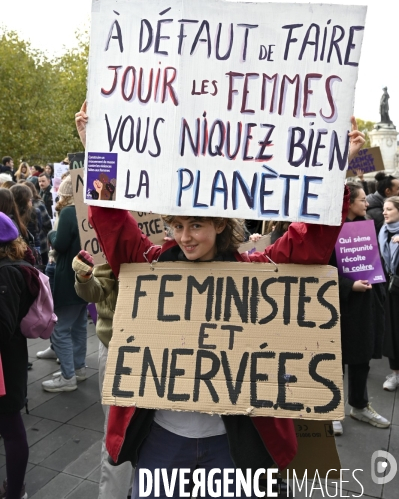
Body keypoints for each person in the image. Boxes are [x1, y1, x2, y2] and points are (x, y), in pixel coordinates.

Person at [75, 103, 365, 497]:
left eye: (196, 225)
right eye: (176, 226)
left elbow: (308, 241)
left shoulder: (255, 268)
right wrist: (98, 151)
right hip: (163, 438)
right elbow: (112, 223)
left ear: (221, 223)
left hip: (235, 443)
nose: (185, 237)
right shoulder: (151, 264)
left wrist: (334, 167)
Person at [73, 253, 134, 499]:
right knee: (117, 430)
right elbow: (94, 292)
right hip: (118, 345)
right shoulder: (109, 235)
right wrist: (84, 275)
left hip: (163, 347)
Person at [330, 183, 388, 435]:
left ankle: (359, 404)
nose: (367, 204)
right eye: (362, 200)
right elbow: (321, 270)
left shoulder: (366, 227)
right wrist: (349, 285)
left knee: (361, 358)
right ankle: (332, 411)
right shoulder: (329, 232)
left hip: (366, 305)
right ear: (348, 202)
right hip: (339, 306)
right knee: (335, 360)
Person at [0, 213, 40, 499]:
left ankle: (14, 491)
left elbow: (3, 327)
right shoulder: (13, 268)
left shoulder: (6, 273)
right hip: (9, 361)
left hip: (5, 364)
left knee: (11, 428)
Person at [41, 176, 87, 392]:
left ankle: (68, 377)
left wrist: (51, 233)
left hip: (68, 276)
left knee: (59, 329)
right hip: (85, 277)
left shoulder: (69, 212)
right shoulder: (88, 210)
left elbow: (59, 244)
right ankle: (77, 368)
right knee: (78, 326)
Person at [378, 196, 399, 391]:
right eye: (384, 209)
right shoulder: (383, 231)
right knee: (392, 331)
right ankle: (395, 374)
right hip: (391, 290)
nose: (385, 212)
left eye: (389, 209)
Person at [22, 181, 52, 266]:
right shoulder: (37, 206)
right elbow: (47, 223)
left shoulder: (37, 206)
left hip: (34, 243)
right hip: (39, 242)